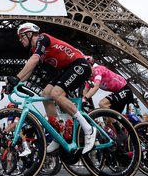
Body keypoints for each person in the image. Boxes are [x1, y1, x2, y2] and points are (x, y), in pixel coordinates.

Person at [5, 23, 96, 154]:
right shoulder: (33, 51)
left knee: (56, 93)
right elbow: (29, 72)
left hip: (79, 65)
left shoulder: (42, 38)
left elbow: (35, 60)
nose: (20, 40)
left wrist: (17, 78)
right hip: (66, 69)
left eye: (21, 36)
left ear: (30, 34)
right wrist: (13, 82)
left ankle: (88, 129)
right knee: (45, 94)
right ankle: (58, 134)